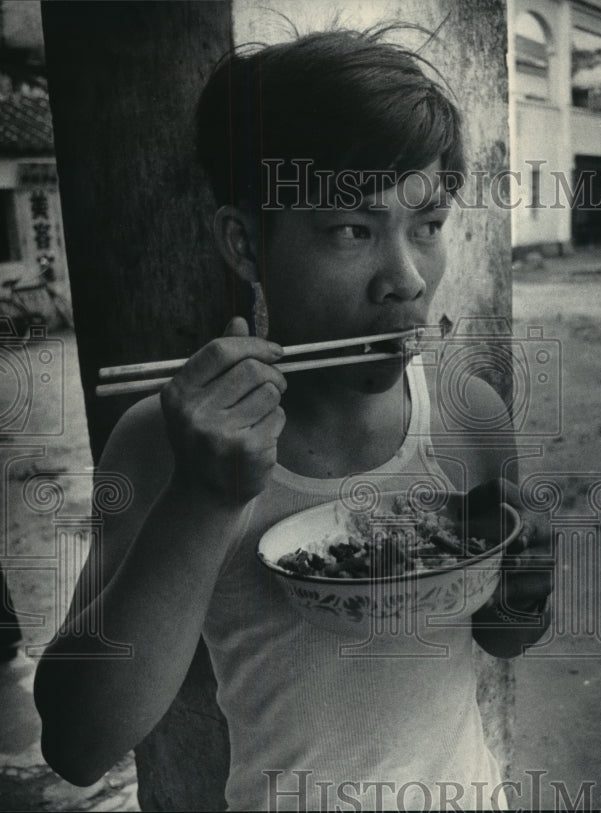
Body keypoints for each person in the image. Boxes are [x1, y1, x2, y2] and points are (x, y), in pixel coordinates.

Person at [34, 28, 552, 811]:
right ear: (245, 243)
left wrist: (529, 587)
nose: (407, 280)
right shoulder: (164, 439)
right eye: (352, 228)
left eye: (427, 225)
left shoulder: (466, 416)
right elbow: (77, 744)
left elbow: (501, 636)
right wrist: (205, 499)